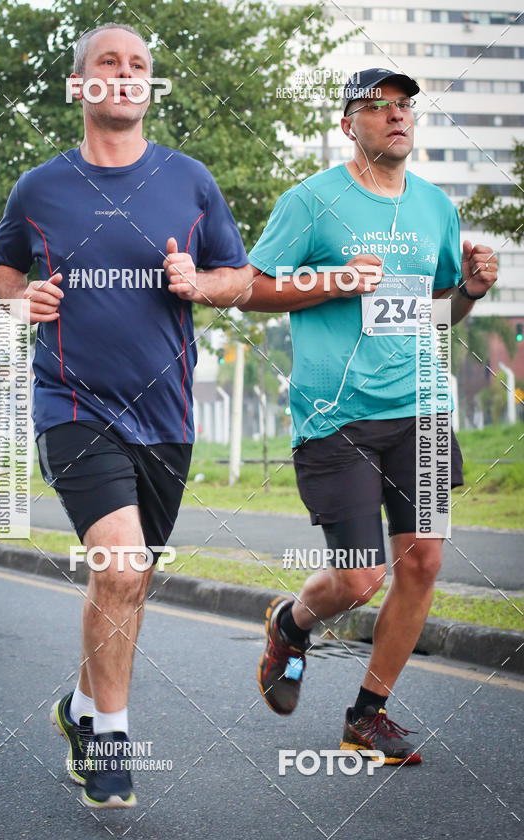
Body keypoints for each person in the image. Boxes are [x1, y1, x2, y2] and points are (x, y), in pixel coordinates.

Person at [0, 23, 251, 807]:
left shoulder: (190, 181)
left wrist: (200, 283)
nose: (126, 74)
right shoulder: (39, 188)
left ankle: (79, 707)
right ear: (81, 84)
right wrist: (19, 300)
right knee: (121, 565)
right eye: (109, 62)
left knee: (127, 584)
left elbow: (239, 276)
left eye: (139, 65)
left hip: (166, 415)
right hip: (73, 403)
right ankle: (110, 738)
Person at [243, 68, 497, 764]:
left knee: (424, 562)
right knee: (360, 579)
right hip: (338, 414)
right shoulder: (311, 201)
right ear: (347, 124)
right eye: (376, 106)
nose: (395, 115)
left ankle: (367, 713)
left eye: (404, 105)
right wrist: (332, 280)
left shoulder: (435, 207)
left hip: (423, 407)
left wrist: (470, 290)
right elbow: (250, 288)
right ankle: (292, 625)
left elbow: (437, 313)